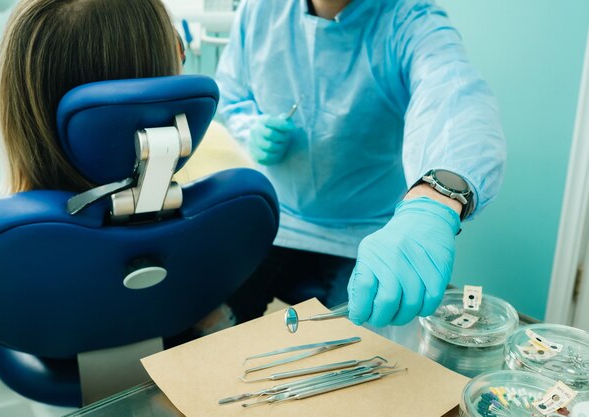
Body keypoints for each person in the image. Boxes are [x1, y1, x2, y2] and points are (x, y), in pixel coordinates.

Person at [216, 0, 507, 327]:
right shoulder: (260, 9)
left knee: (361, 345)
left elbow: (454, 96)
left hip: (365, 231)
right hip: (279, 217)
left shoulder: (408, 17)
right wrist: (249, 127)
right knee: (205, 320)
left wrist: (435, 199)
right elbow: (231, 94)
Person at [0, 0, 238, 342]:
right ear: (168, 62)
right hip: (177, 344)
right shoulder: (223, 169)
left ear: (15, 95)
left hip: (51, 353)